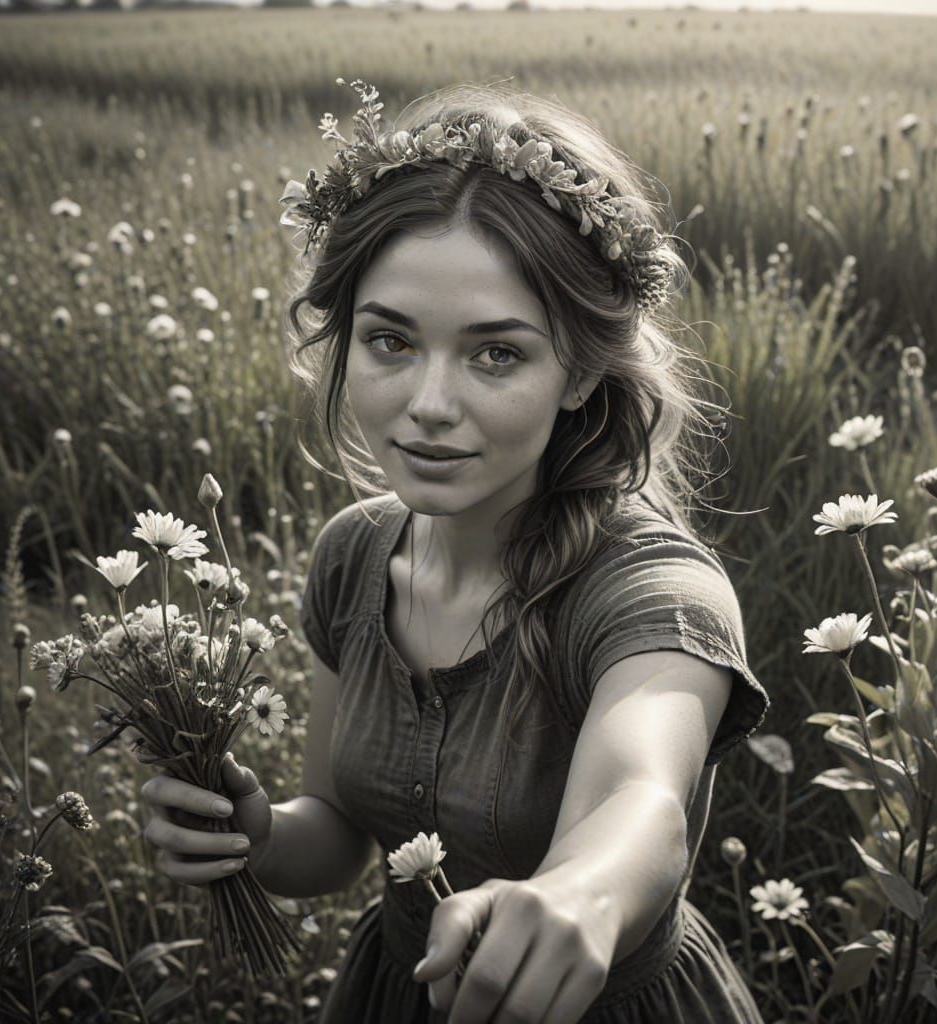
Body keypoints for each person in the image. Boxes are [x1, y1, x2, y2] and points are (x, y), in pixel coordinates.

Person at [141, 77, 770, 1023]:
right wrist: (256, 837)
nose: (429, 403)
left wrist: (579, 898)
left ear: (581, 371)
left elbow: (643, 799)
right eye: (391, 340)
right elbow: (344, 835)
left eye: (496, 354)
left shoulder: (654, 592)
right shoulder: (353, 558)